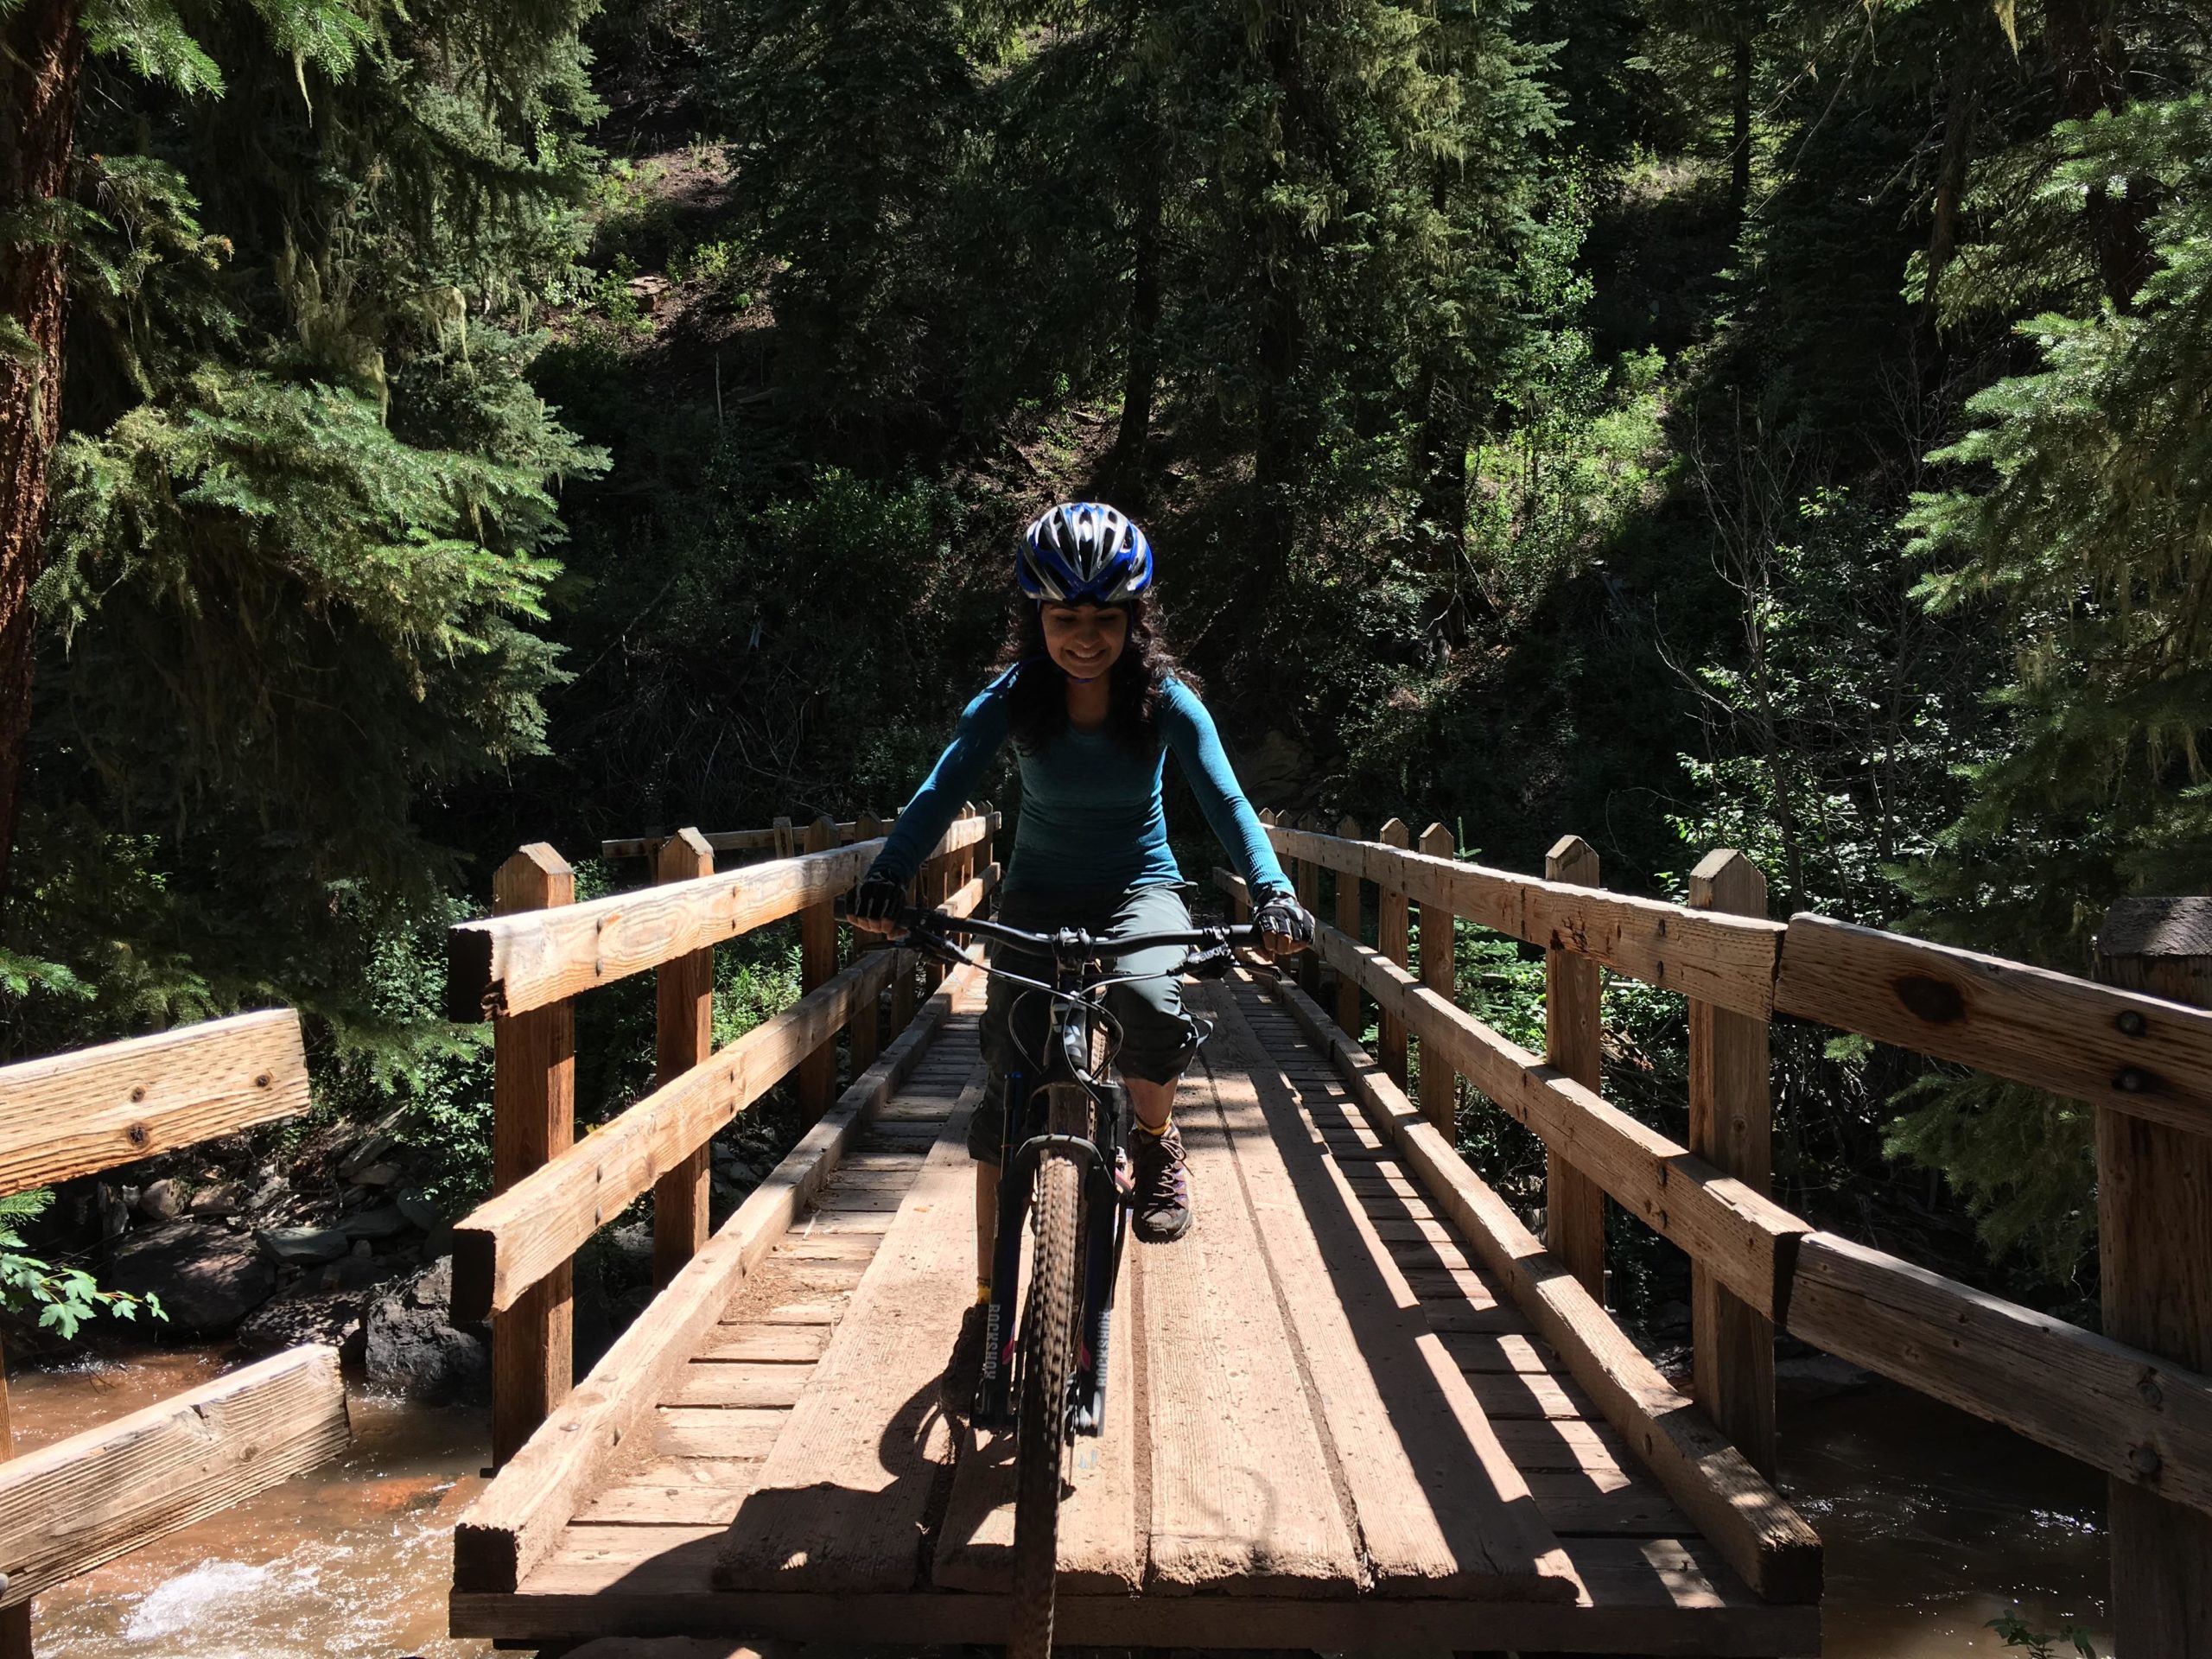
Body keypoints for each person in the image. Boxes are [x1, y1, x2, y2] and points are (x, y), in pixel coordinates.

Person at [850, 501, 1313, 1306]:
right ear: (1038, 617)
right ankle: (991, 1302)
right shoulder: (1013, 696)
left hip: (1143, 884)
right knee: (1006, 1082)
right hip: (1035, 891)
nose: (1087, 635)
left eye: (1107, 616)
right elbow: (940, 791)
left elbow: (1229, 804)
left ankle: (1156, 1139)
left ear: (1137, 618)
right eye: (1066, 616)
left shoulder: (1166, 700)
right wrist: (890, 873)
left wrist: (1274, 893)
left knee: (1148, 1004)